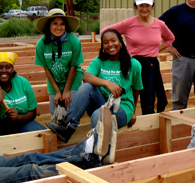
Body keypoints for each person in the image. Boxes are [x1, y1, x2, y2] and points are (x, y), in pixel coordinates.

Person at [45, 29, 143, 162]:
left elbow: (136, 90)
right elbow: (86, 76)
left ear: (120, 42)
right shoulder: (99, 61)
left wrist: (133, 112)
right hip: (102, 101)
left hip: (121, 108)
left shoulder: (134, 64)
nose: (110, 45)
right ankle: (68, 127)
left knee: (99, 114)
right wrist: (107, 83)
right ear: (102, 46)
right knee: (86, 87)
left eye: (113, 40)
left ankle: (97, 155)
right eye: (106, 42)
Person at [102, 0, 175, 114]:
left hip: (151, 65)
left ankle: (148, 125)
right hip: (132, 64)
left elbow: (170, 38)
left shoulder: (159, 24)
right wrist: (118, 48)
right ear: (136, 7)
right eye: (141, 6)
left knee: (149, 99)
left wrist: (156, 50)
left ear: (152, 6)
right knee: (129, 95)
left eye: (147, 6)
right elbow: (106, 32)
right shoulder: (129, 23)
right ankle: (126, 118)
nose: (144, 9)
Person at [0, 52, 46, 138]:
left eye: (8, 67)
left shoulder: (23, 83)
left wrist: (18, 117)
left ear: (12, 69)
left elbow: (33, 113)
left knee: (43, 135)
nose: (4, 71)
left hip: (18, 122)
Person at [35, 8, 84, 115]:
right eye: (55, 23)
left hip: (73, 79)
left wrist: (66, 91)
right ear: (49, 25)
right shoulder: (42, 44)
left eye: (62, 24)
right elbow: (46, 69)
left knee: (71, 112)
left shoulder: (73, 41)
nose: (59, 27)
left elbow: (73, 67)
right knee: (55, 113)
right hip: (54, 81)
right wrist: (57, 91)